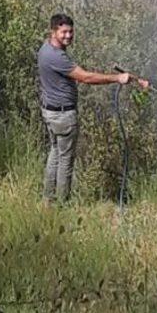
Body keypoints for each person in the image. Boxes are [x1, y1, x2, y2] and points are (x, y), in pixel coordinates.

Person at [38, 13, 149, 203]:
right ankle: (62, 204)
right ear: (53, 31)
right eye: (64, 32)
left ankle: (48, 200)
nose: (68, 36)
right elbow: (86, 77)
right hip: (63, 115)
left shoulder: (45, 49)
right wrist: (117, 78)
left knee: (55, 153)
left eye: (71, 32)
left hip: (50, 113)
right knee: (65, 160)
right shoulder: (56, 57)